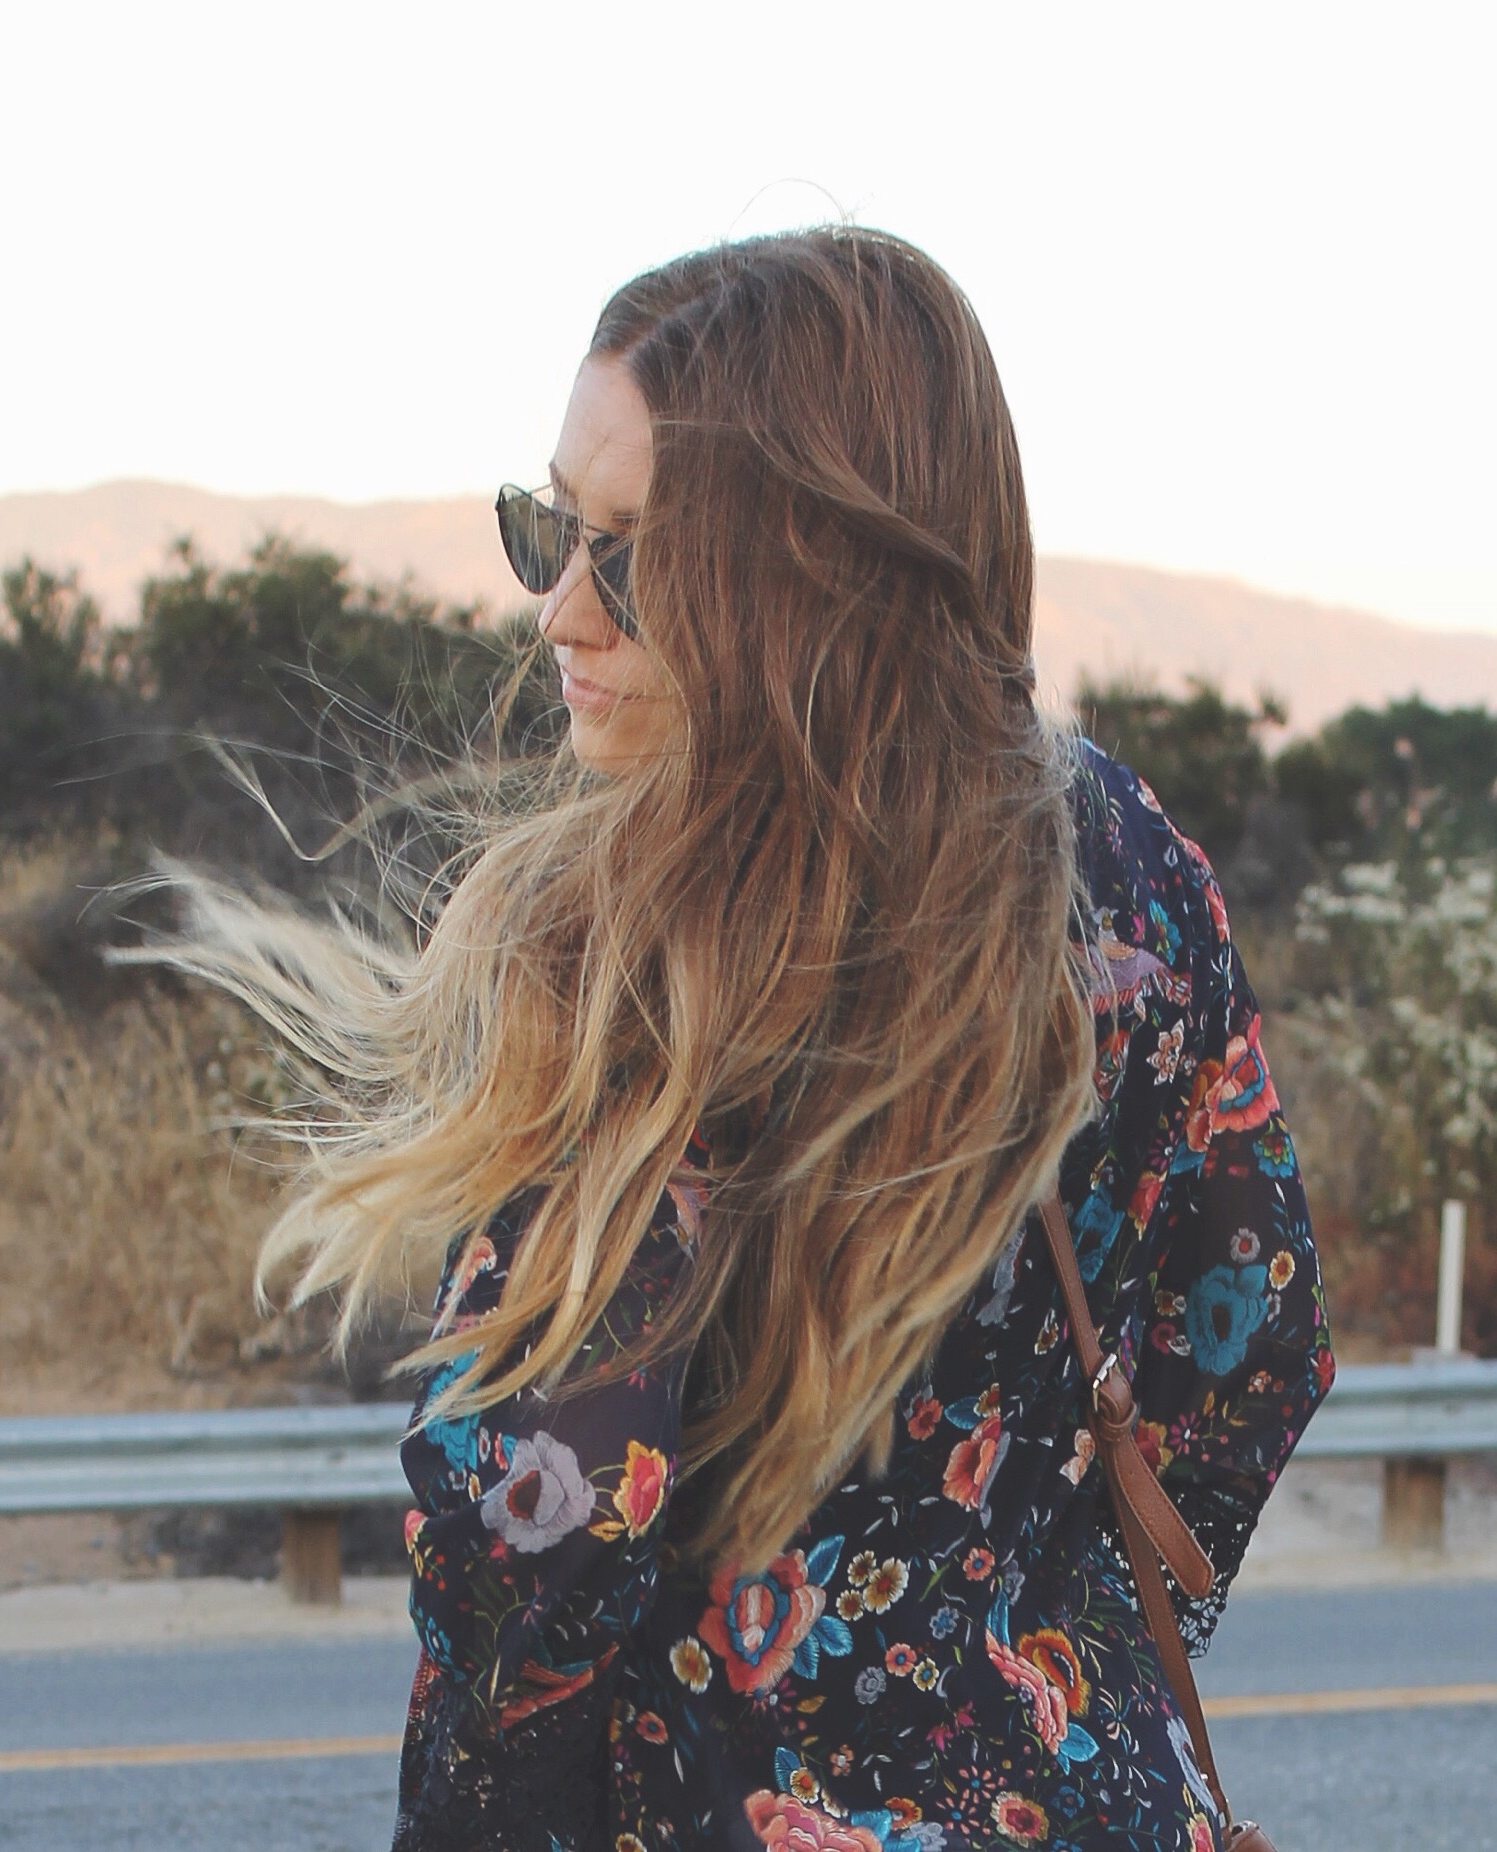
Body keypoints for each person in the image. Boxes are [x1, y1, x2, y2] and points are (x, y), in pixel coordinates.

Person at [157, 227, 1329, 1851]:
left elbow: (543, 1532)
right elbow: (1254, 1347)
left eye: (636, 558)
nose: (561, 612)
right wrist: (1059, 1671)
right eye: (553, 531)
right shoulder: (1124, 855)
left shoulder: (667, 948)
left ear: (813, 573)